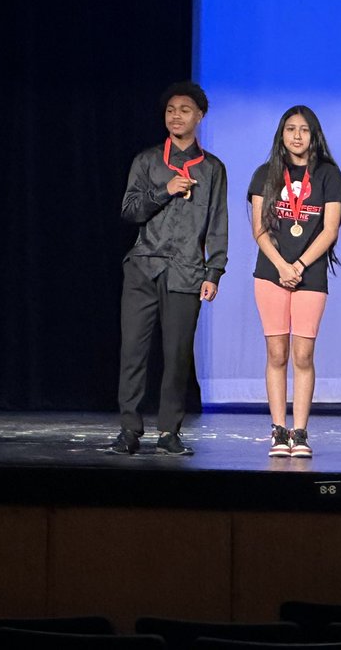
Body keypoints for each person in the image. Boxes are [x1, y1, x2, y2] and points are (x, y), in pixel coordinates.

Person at [111, 82, 227, 456]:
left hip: (187, 271)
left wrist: (214, 272)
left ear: (200, 116)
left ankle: (168, 432)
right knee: (133, 351)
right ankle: (129, 429)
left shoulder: (212, 169)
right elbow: (129, 210)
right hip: (144, 267)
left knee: (177, 354)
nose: (176, 116)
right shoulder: (148, 161)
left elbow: (217, 222)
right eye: (170, 110)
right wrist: (166, 190)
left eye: (185, 110)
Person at [247, 106, 341, 459]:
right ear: (282, 134)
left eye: (304, 129)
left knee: (303, 355)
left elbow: (330, 230)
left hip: (311, 275)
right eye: (291, 129)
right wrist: (281, 265)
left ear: (313, 134)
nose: (297, 136)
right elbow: (259, 229)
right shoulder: (265, 174)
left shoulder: (328, 176)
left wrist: (300, 264)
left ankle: (300, 431)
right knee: (277, 353)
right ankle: (278, 429)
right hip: (271, 273)